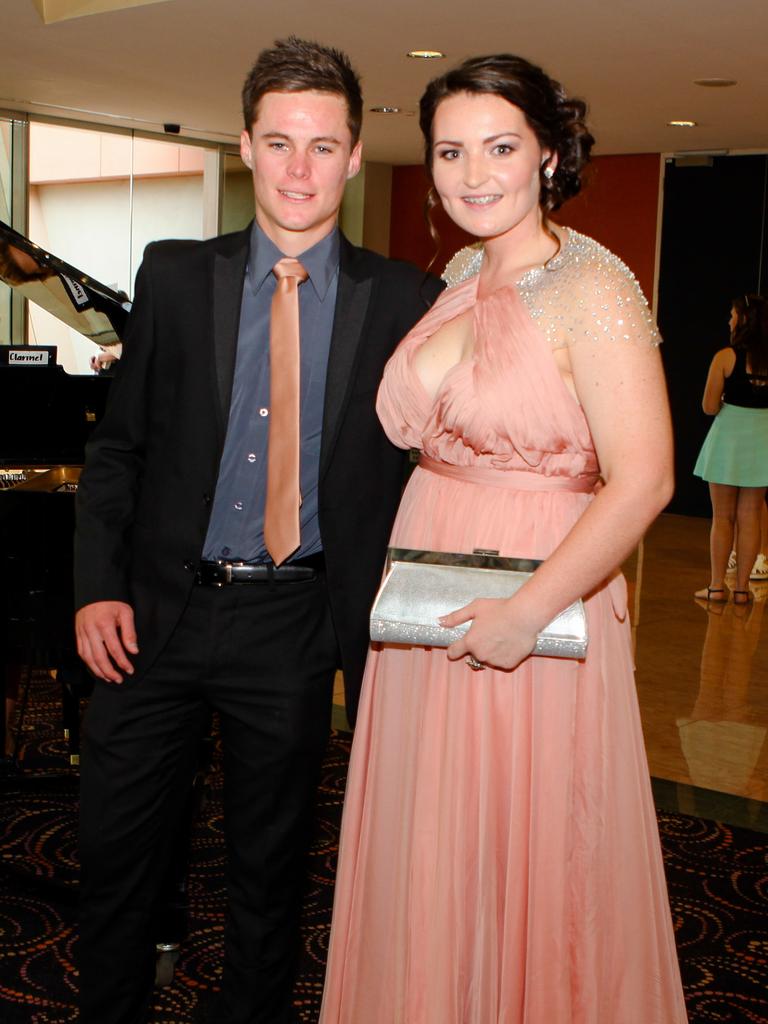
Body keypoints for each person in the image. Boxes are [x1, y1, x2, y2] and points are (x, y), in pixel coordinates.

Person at [73, 36, 442, 1024]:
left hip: (294, 625)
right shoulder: (176, 275)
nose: (298, 169)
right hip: (152, 617)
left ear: (357, 156)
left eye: (322, 146)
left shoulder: (402, 298)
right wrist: (95, 584)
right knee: (115, 853)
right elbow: (119, 451)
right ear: (245, 145)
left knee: (268, 873)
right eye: (279, 142)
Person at [319, 53, 688, 1023]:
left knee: (528, 840)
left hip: (535, 596)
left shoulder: (592, 286)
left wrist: (530, 610)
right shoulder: (458, 271)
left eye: (499, 146)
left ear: (549, 156)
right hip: (425, 590)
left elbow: (646, 476)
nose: (473, 172)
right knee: (435, 834)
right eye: (450, 151)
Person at [694, 294, 768, 604]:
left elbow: (709, 407)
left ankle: (715, 587)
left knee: (722, 517)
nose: (729, 320)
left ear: (743, 320)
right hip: (762, 441)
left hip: (727, 441)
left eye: (732, 315)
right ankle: (741, 590)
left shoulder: (725, 357)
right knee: (750, 516)